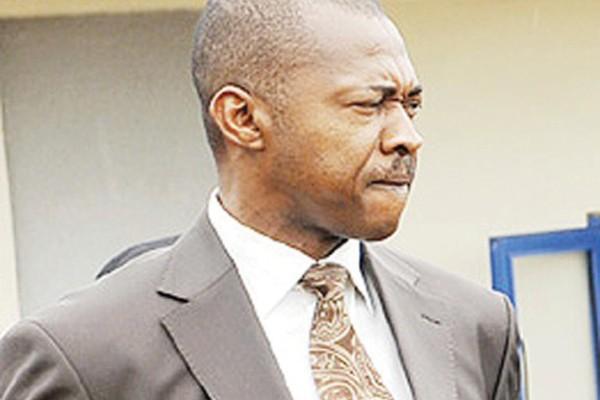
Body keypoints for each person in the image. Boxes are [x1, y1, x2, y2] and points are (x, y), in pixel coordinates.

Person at [0, 0, 521, 399]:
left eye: (410, 105)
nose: (407, 136)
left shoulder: (476, 325)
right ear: (243, 119)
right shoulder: (84, 357)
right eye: (370, 104)